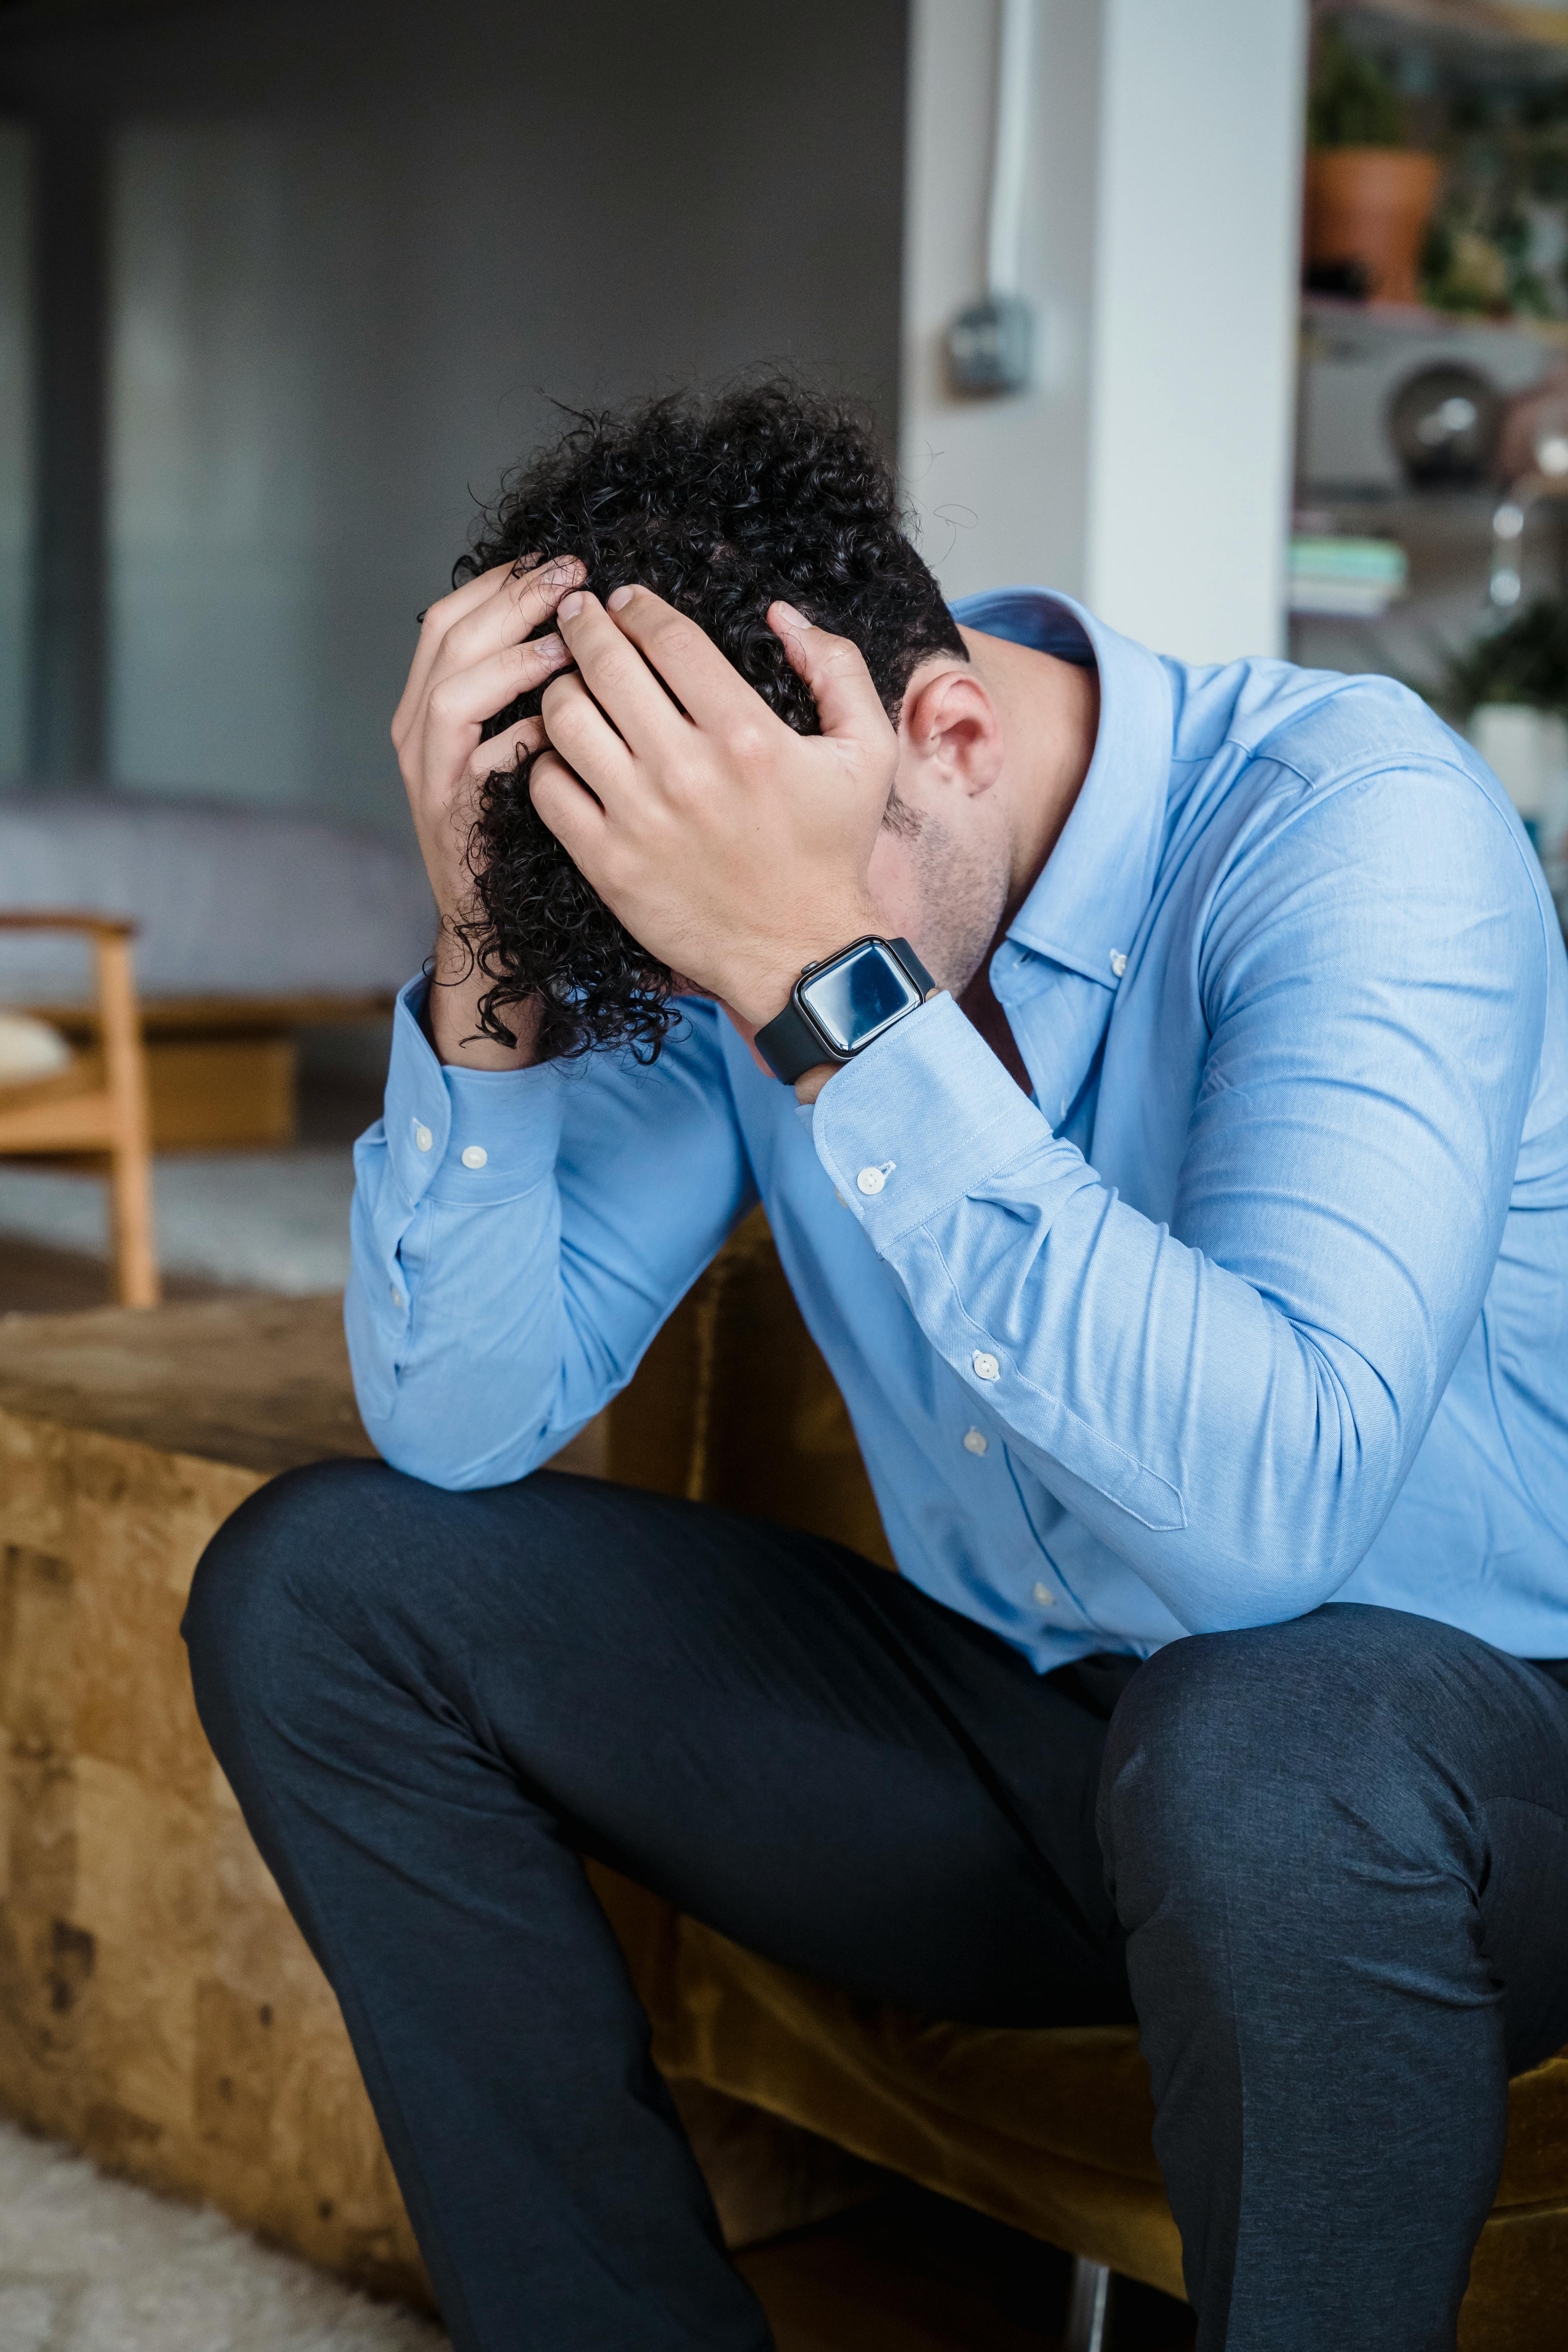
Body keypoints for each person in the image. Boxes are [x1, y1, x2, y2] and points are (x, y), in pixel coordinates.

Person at [184, 384, 1568, 2352]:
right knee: (323, 1590)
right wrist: (488, 959)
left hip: (1453, 1784)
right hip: (1033, 1749)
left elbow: (1270, 1524)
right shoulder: (738, 858)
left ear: (950, 734)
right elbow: (461, 1415)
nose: (732, 1003)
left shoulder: (1352, 828)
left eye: (737, 951)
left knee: (1263, 1749)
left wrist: (825, 986)